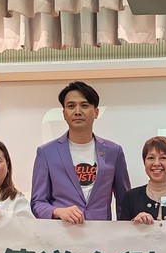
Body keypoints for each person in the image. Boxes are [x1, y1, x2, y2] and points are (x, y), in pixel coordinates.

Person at [30, 81, 130, 222]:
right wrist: (57, 211)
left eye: (84, 105)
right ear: (64, 114)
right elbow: (37, 203)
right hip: (62, 232)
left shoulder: (114, 152)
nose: (77, 111)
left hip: (101, 233)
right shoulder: (46, 153)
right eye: (71, 106)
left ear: (96, 112)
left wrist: (124, 232)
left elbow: (124, 202)